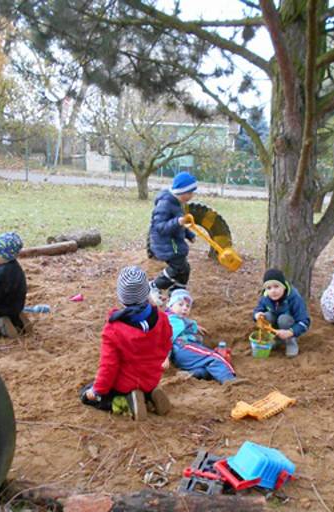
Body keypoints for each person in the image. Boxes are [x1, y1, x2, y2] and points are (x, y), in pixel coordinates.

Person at [79, 266, 173, 420]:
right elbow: (167, 343)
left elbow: (108, 366)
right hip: (151, 377)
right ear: (146, 293)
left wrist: (96, 391)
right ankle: (150, 394)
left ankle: (127, 402)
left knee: (86, 393)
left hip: (125, 383)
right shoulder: (162, 318)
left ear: (121, 297)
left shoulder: (114, 330)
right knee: (144, 382)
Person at [148, 172, 197, 304]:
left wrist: (189, 234)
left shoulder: (176, 203)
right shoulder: (165, 204)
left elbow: (179, 224)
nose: (192, 196)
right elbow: (159, 226)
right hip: (165, 244)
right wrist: (178, 222)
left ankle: (177, 293)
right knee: (177, 267)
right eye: (190, 192)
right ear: (182, 191)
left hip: (173, 242)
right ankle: (154, 285)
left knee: (185, 269)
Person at [166, 289, 236, 383]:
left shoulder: (176, 319)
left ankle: (191, 374)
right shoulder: (174, 321)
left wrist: (195, 326)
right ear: (170, 305)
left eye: (188, 306)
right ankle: (231, 380)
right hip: (184, 347)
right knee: (215, 358)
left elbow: (185, 323)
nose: (185, 308)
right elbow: (166, 338)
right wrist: (165, 357)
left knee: (206, 368)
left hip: (183, 355)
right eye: (180, 304)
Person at [252, 268, 310, 358]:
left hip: (289, 325)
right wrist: (257, 315)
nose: (273, 291)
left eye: (276, 286)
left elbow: (304, 321)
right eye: (269, 288)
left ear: (283, 286)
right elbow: (257, 309)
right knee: (266, 316)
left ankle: (290, 342)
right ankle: (275, 339)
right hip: (275, 326)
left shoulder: (294, 298)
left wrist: (290, 332)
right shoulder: (265, 297)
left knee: (283, 319)